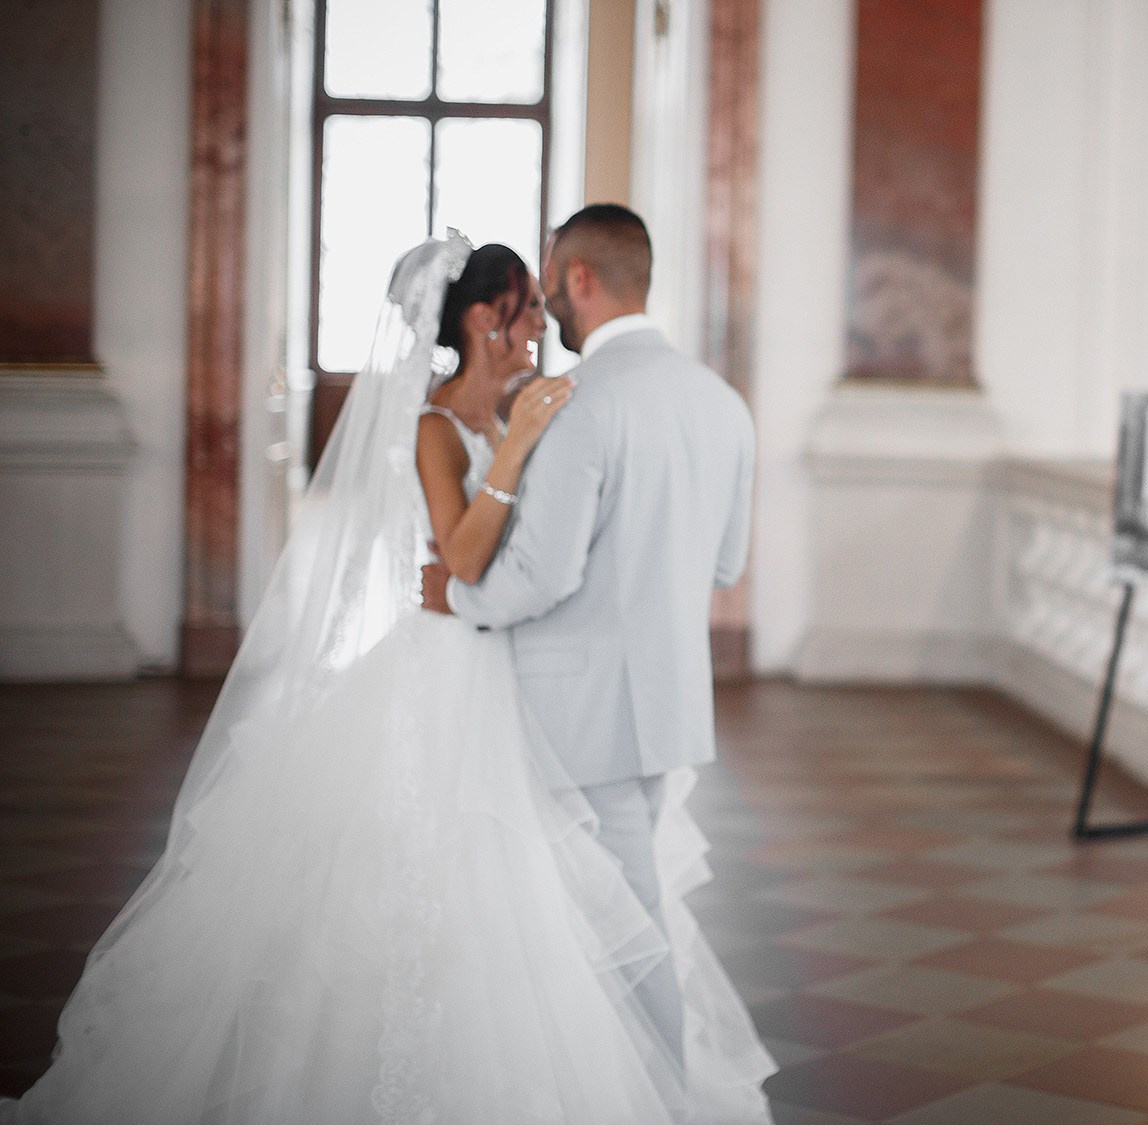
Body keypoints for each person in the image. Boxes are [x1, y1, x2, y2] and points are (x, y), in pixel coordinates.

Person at [2, 232, 771, 1123]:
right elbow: (466, 555)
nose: (539, 323)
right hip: (459, 674)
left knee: (540, 888)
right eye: (525, 307)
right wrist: (514, 463)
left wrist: (506, 482)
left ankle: (615, 1076)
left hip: (502, 665)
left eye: (543, 300)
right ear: (482, 319)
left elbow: (489, 572)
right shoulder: (443, 425)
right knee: (463, 877)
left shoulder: (529, 411)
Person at [420, 203, 762, 1109]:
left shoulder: (577, 405)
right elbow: (725, 564)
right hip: (668, 702)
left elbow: (540, 576)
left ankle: (660, 1101)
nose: (547, 313)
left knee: (623, 928)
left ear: (579, 278)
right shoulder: (723, 403)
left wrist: (456, 597)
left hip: (577, 710)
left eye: (550, 287)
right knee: (608, 915)